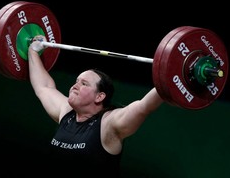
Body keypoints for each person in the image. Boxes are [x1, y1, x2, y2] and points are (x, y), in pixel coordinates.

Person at [28, 35, 164, 177]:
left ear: (100, 96)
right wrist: (33, 51)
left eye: (84, 83)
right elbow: (44, 87)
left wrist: (170, 77)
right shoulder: (66, 113)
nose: (75, 85)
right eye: (77, 80)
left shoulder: (109, 123)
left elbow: (144, 106)